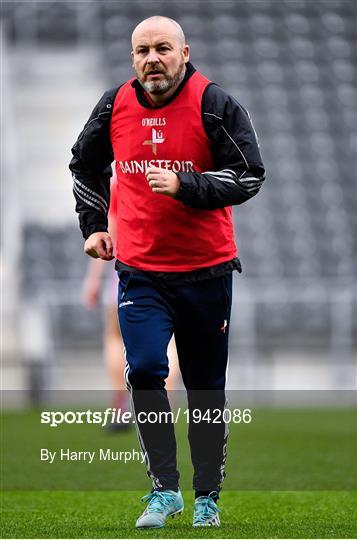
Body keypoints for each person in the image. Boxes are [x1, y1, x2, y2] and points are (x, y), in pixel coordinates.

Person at [70, 15, 265, 528]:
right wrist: (93, 226)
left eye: (161, 49)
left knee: (204, 385)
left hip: (206, 269)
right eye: (141, 51)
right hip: (140, 271)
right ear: (132, 57)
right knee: (147, 372)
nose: (151, 59)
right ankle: (163, 490)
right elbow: (84, 166)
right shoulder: (114, 105)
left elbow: (249, 174)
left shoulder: (214, 103)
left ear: (183, 51)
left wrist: (188, 186)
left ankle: (207, 497)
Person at [83, 176, 180, 423]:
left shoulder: (124, 182)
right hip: (174, 271)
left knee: (115, 337)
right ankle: (163, 406)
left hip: (129, 273)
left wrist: (93, 279)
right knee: (169, 342)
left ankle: (120, 407)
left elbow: (109, 233)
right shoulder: (177, 176)